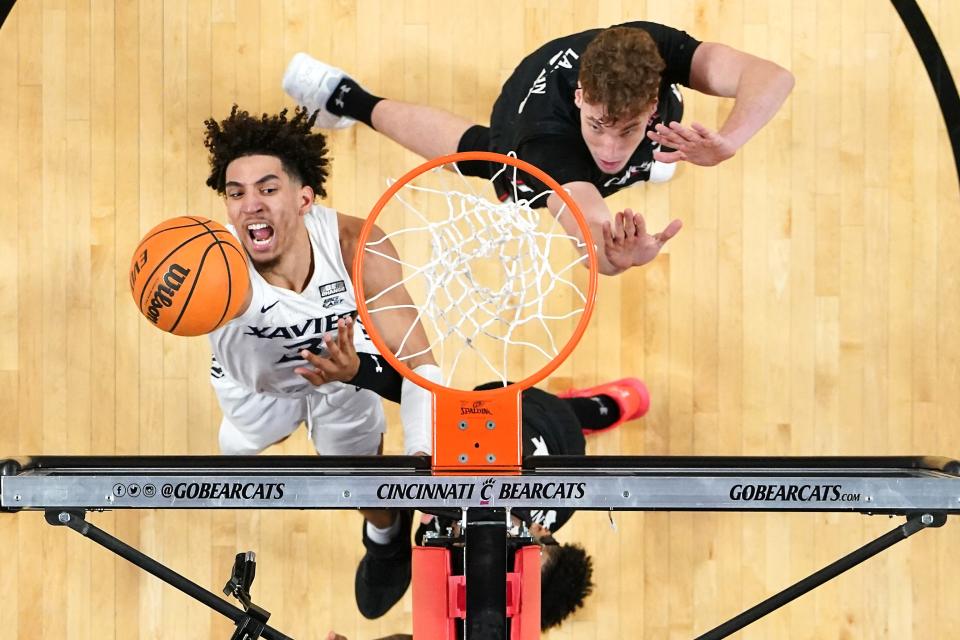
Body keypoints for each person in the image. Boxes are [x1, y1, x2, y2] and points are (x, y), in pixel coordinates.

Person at [282, 21, 794, 276]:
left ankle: (652, 158)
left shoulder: (648, 50)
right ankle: (349, 98)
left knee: (629, 161)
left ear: (655, 100)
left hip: (632, 107)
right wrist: (619, 256)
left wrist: (728, 141)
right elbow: (587, 228)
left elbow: (771, 76)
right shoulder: (547, 145)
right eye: (598, 126)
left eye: (629, 128)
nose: (609, 148)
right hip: (525, 126)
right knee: (483, 156)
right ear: (579, 97)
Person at [202, 104, 442, 619]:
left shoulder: (359, 246)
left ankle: (386, 534)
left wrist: (422, 460)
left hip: (342, 377)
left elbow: (421, 367)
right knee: (234, 451)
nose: (250, 206)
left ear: (305, 197)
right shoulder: (207, 262)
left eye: (267, 189)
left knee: (363, 478)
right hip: (254, 389)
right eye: (236, 193)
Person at [353, 378, 650, 628]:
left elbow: (372, 601)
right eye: (514, 546)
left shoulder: (467, 564)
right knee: (572, 422)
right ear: (540, 530)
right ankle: (590, 408)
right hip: (529, 413)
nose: (495, 544)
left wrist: (385, 529)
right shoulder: (553, 493)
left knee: (373, 604)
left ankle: (386, 532)